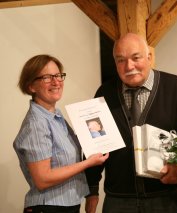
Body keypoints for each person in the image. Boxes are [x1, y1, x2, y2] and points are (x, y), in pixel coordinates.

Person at [84, 33, 177, 213]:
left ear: (149, 57)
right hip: (118, 200)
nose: (129, 66)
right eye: (120, 60)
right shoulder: (104, 93)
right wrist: (92, 189)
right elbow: (95, 143)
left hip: (165, 199)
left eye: (135, 57)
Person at [13, 54, 109, 213]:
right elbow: (43, 179)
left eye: (58, 75)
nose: (56, 81)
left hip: (66, 205)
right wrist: (89, 163)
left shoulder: (56, 116)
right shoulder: (37, 123)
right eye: (47, 77)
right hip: (49, 207)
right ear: (31, 86)